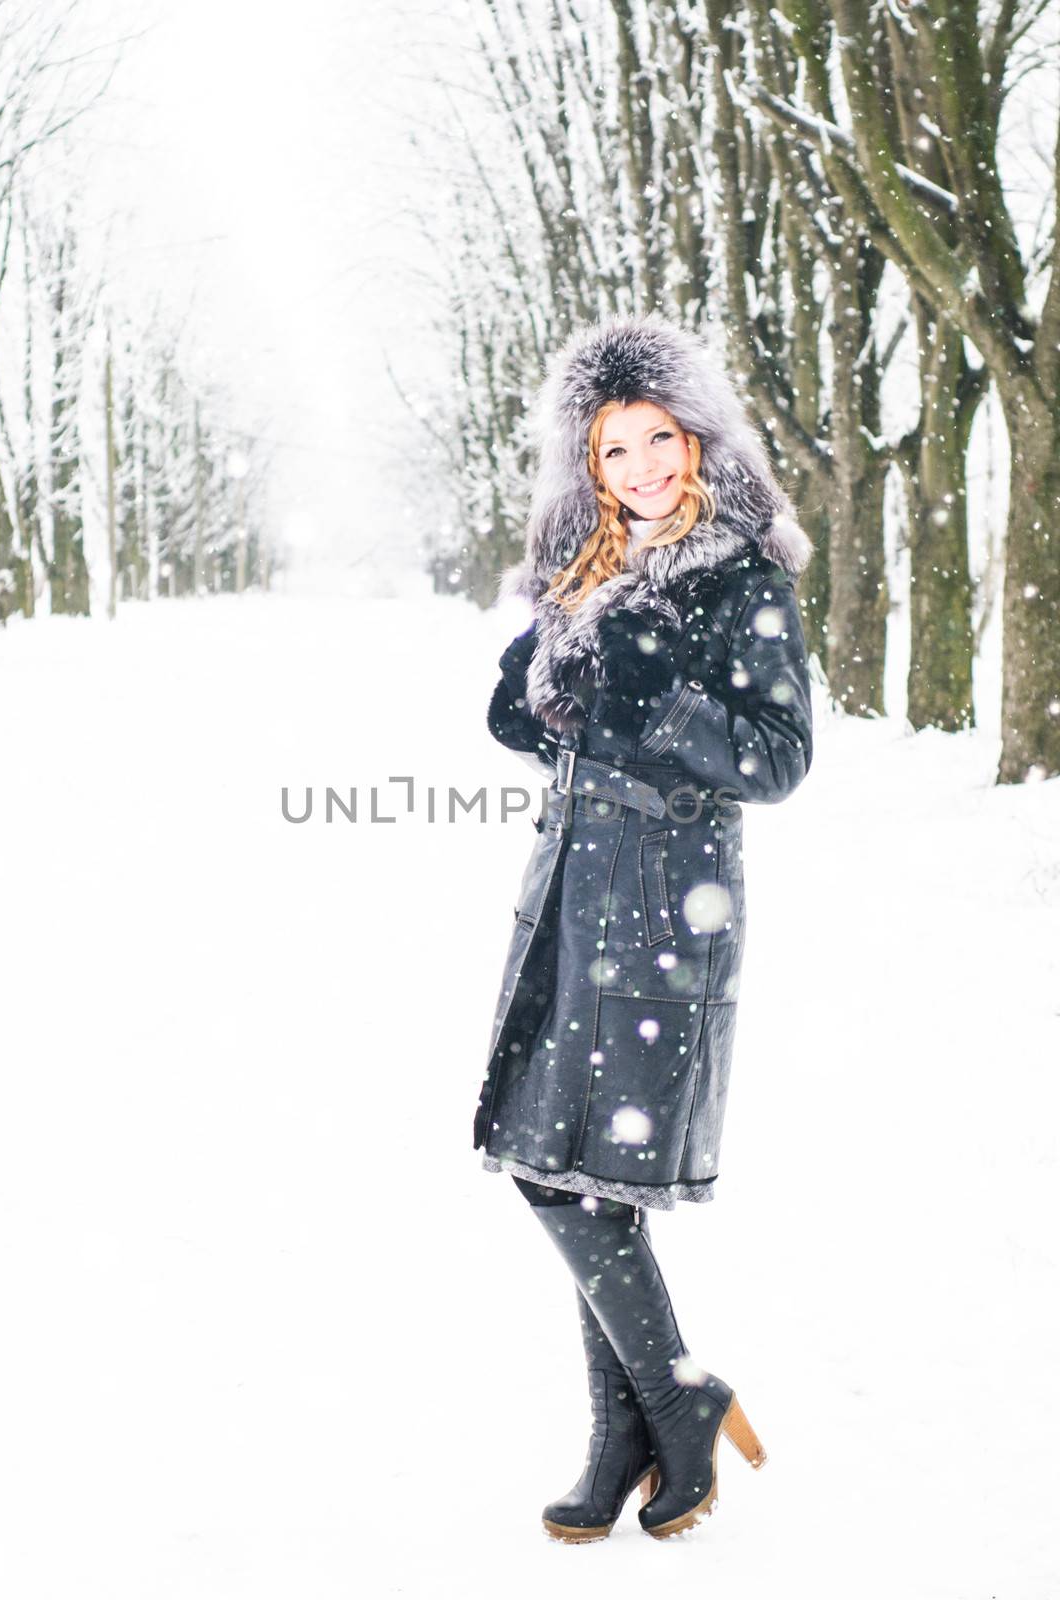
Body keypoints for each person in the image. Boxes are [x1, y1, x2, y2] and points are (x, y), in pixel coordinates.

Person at [471, 311, 815, 1543]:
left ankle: (674, 1399)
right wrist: (543, 688)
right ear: (590, 465)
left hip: (668, 914)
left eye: (659, 439)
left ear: (698, 437)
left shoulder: (741, 574)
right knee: (566, 1169)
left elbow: (777, 759)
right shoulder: (587, 568)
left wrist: (652, 692)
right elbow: (550, 717)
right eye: (614, 451)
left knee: (569, 1175)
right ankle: (625, 1427)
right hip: (570, 905)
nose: (643, 470)